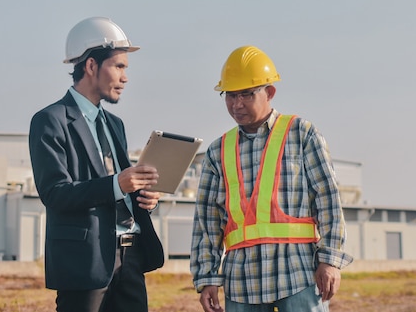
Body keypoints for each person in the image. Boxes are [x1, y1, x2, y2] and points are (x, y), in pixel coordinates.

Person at [191, 45, 353, 312]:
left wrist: (330, 259)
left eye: (246, 94)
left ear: (270, 92)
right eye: (230, 95)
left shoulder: (302, 134)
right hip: (241, 282)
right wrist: (206, 277)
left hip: (298, 275)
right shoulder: (217, 151)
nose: (237, 104)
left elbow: (328, 198)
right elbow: (207, 221)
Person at [29, 16, 165, 312]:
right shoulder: (50, 121)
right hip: (85, 263)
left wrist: (143, 198)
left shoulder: (115, 124)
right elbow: (54, 192)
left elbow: (119, 189)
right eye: (119, 66)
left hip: (131, 258)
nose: (125, 77)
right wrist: (118, 184)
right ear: (91, 66)